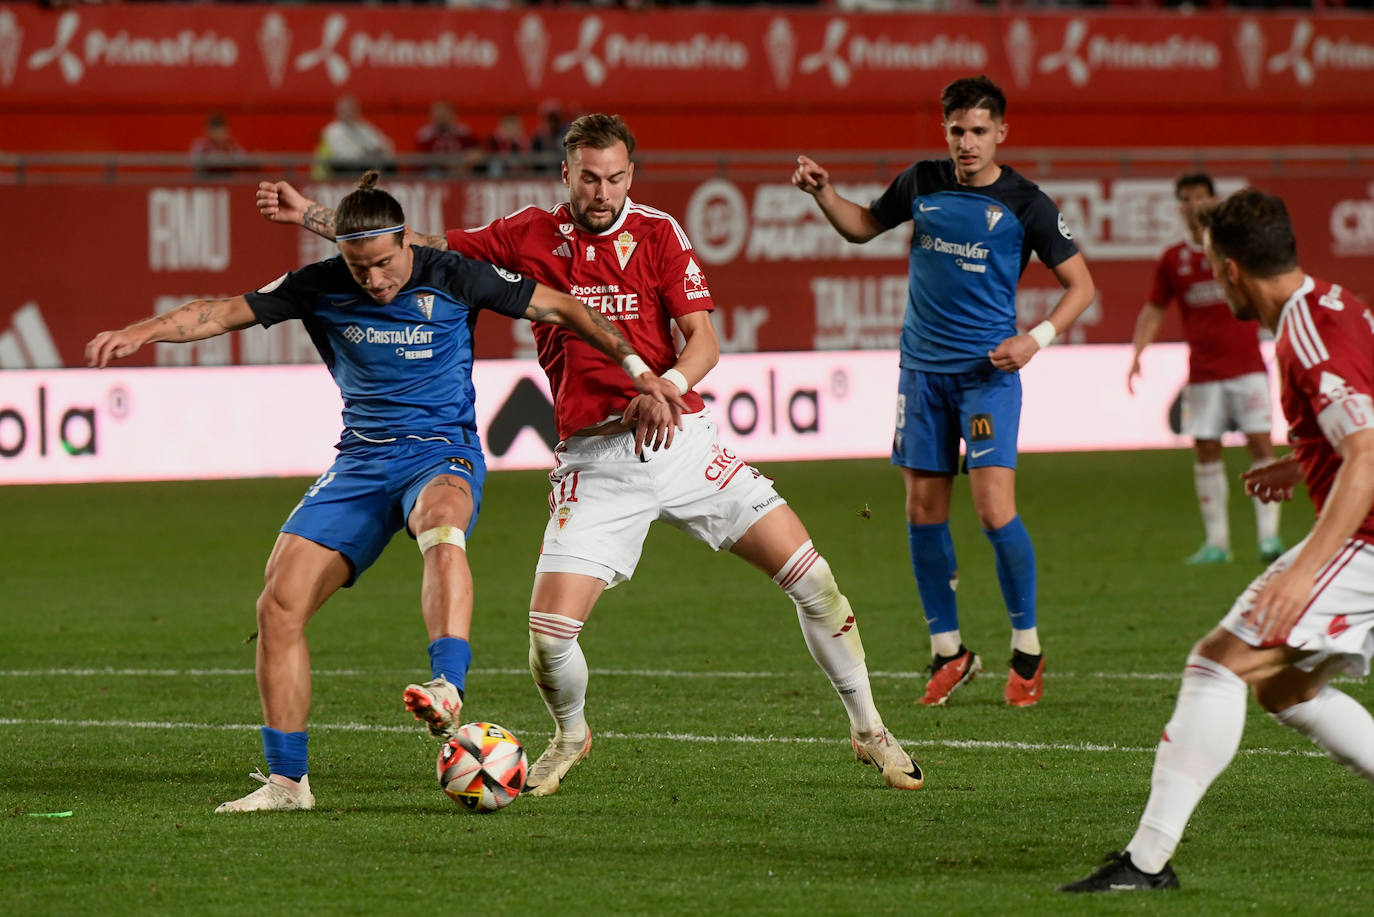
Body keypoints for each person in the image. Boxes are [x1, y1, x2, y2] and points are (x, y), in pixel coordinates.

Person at [257, 113, 926, 797]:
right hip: (595, 460)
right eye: (588, 177)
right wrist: (314, 215)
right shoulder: (526, 234)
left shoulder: (660, 233)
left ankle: (868, 726)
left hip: (681, 442)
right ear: (566, 174)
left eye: (614, 178)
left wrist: (666, 385)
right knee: (548, 639)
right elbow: (416, 247)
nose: (602, 191)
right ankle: (571, 732)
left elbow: (705, 342)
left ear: (630, 175)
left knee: (814, 580)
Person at [86, 171, 683, 813]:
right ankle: (288, 784)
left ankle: (448, 686)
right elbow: (218, 312)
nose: (374, 280)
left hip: (442, 453)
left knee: (442, 529)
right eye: (358, 266)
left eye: (383, 263)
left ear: (405, 241)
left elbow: (565, 307)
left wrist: (640, 372)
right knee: (277, 607)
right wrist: (142, 331)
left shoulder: (453, 274)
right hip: (360, 463)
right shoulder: (318, 284)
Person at [1061, 188, 1374, 892]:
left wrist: (1301, 574)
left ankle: (1145, 862)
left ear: (1230, 270)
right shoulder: (1337, 305)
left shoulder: (1306, 334)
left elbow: (1368, 452)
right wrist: (1304, 462)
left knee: (1220, 663)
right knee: (1286, 686)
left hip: (1365, 543)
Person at [792, 75, 1095, 707]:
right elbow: (862, 227)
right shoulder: (922, 181)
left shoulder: (1027, 203)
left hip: (988, 377)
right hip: (921, 376)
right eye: (956, 130)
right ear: (945, 131)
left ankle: (1028, 650)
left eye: (979, 131)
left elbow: (1082, 287)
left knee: (993, 512)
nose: (966, 142)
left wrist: (1035, 338)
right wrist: (826, 195)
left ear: (1001, 133)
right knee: (922, 514)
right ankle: (949, 651)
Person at [1129, 173, 1285, 566]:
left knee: (1262, 445)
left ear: (1215, 200)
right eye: (1185, 198)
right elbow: (1154, 309)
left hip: (1248, 368)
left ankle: (1269, 538)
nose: (1193, 204)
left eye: (1199, 196)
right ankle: (1217, 543)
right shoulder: (1172, 259)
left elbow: (1272, 295)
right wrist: (1137, 353)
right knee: (1206, 449)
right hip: (1203, 374)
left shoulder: (1241, 250)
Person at [316, 95, 395, 178]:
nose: (349, 113)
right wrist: (366, 154)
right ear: (338, 111)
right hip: (343, 171)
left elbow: (386, 146)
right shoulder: (332, 131)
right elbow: (344, 155)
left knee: (388, 166)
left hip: (364, 166)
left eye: (352, 109)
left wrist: (375, 152)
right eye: (346, 110)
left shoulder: (363, 128)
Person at [415, 100, 480, 177]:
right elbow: (424, 158)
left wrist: (467, 162)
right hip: (436, 172)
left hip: (463, 170)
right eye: (438, 114)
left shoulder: (464, 132)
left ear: (453, 114)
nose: (441, 118)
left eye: (444, 114)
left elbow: (478, 150)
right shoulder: (425, 134)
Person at [189, 112, 246, 177]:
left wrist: (227, 157)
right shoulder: (200, 144)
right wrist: (218, 159)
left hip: (229, 179)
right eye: (215, 132)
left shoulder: (232, 145)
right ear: (207, 131)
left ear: (227, 131)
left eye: (221, 131)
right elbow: (195, 160)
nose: (218, 135)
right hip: (206, 179)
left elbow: (243, 159)